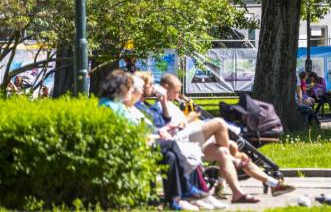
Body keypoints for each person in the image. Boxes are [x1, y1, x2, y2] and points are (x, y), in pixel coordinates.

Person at [98, 70, 214, 211]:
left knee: (170, 156)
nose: (132, 92)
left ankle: (174, 201)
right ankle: (187, 188)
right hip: (135, 145)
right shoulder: (112, 106)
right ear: (120, 88)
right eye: (130, 89)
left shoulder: (117, 105)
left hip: (142, 141)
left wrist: (156, 134)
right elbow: (130, 132)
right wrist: (155, 136)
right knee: (172, 144)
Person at [157, 74, 261, 204]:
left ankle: (237, 193)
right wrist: (188, 118)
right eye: (176, 92)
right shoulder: (161, 105)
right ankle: (234, 161)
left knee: (224, 152)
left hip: (190, 137)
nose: (178, 96)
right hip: (181, 140)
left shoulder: (171, 104)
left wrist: (191, 117)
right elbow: (172, 127)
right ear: (165, 87)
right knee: (219, 123)